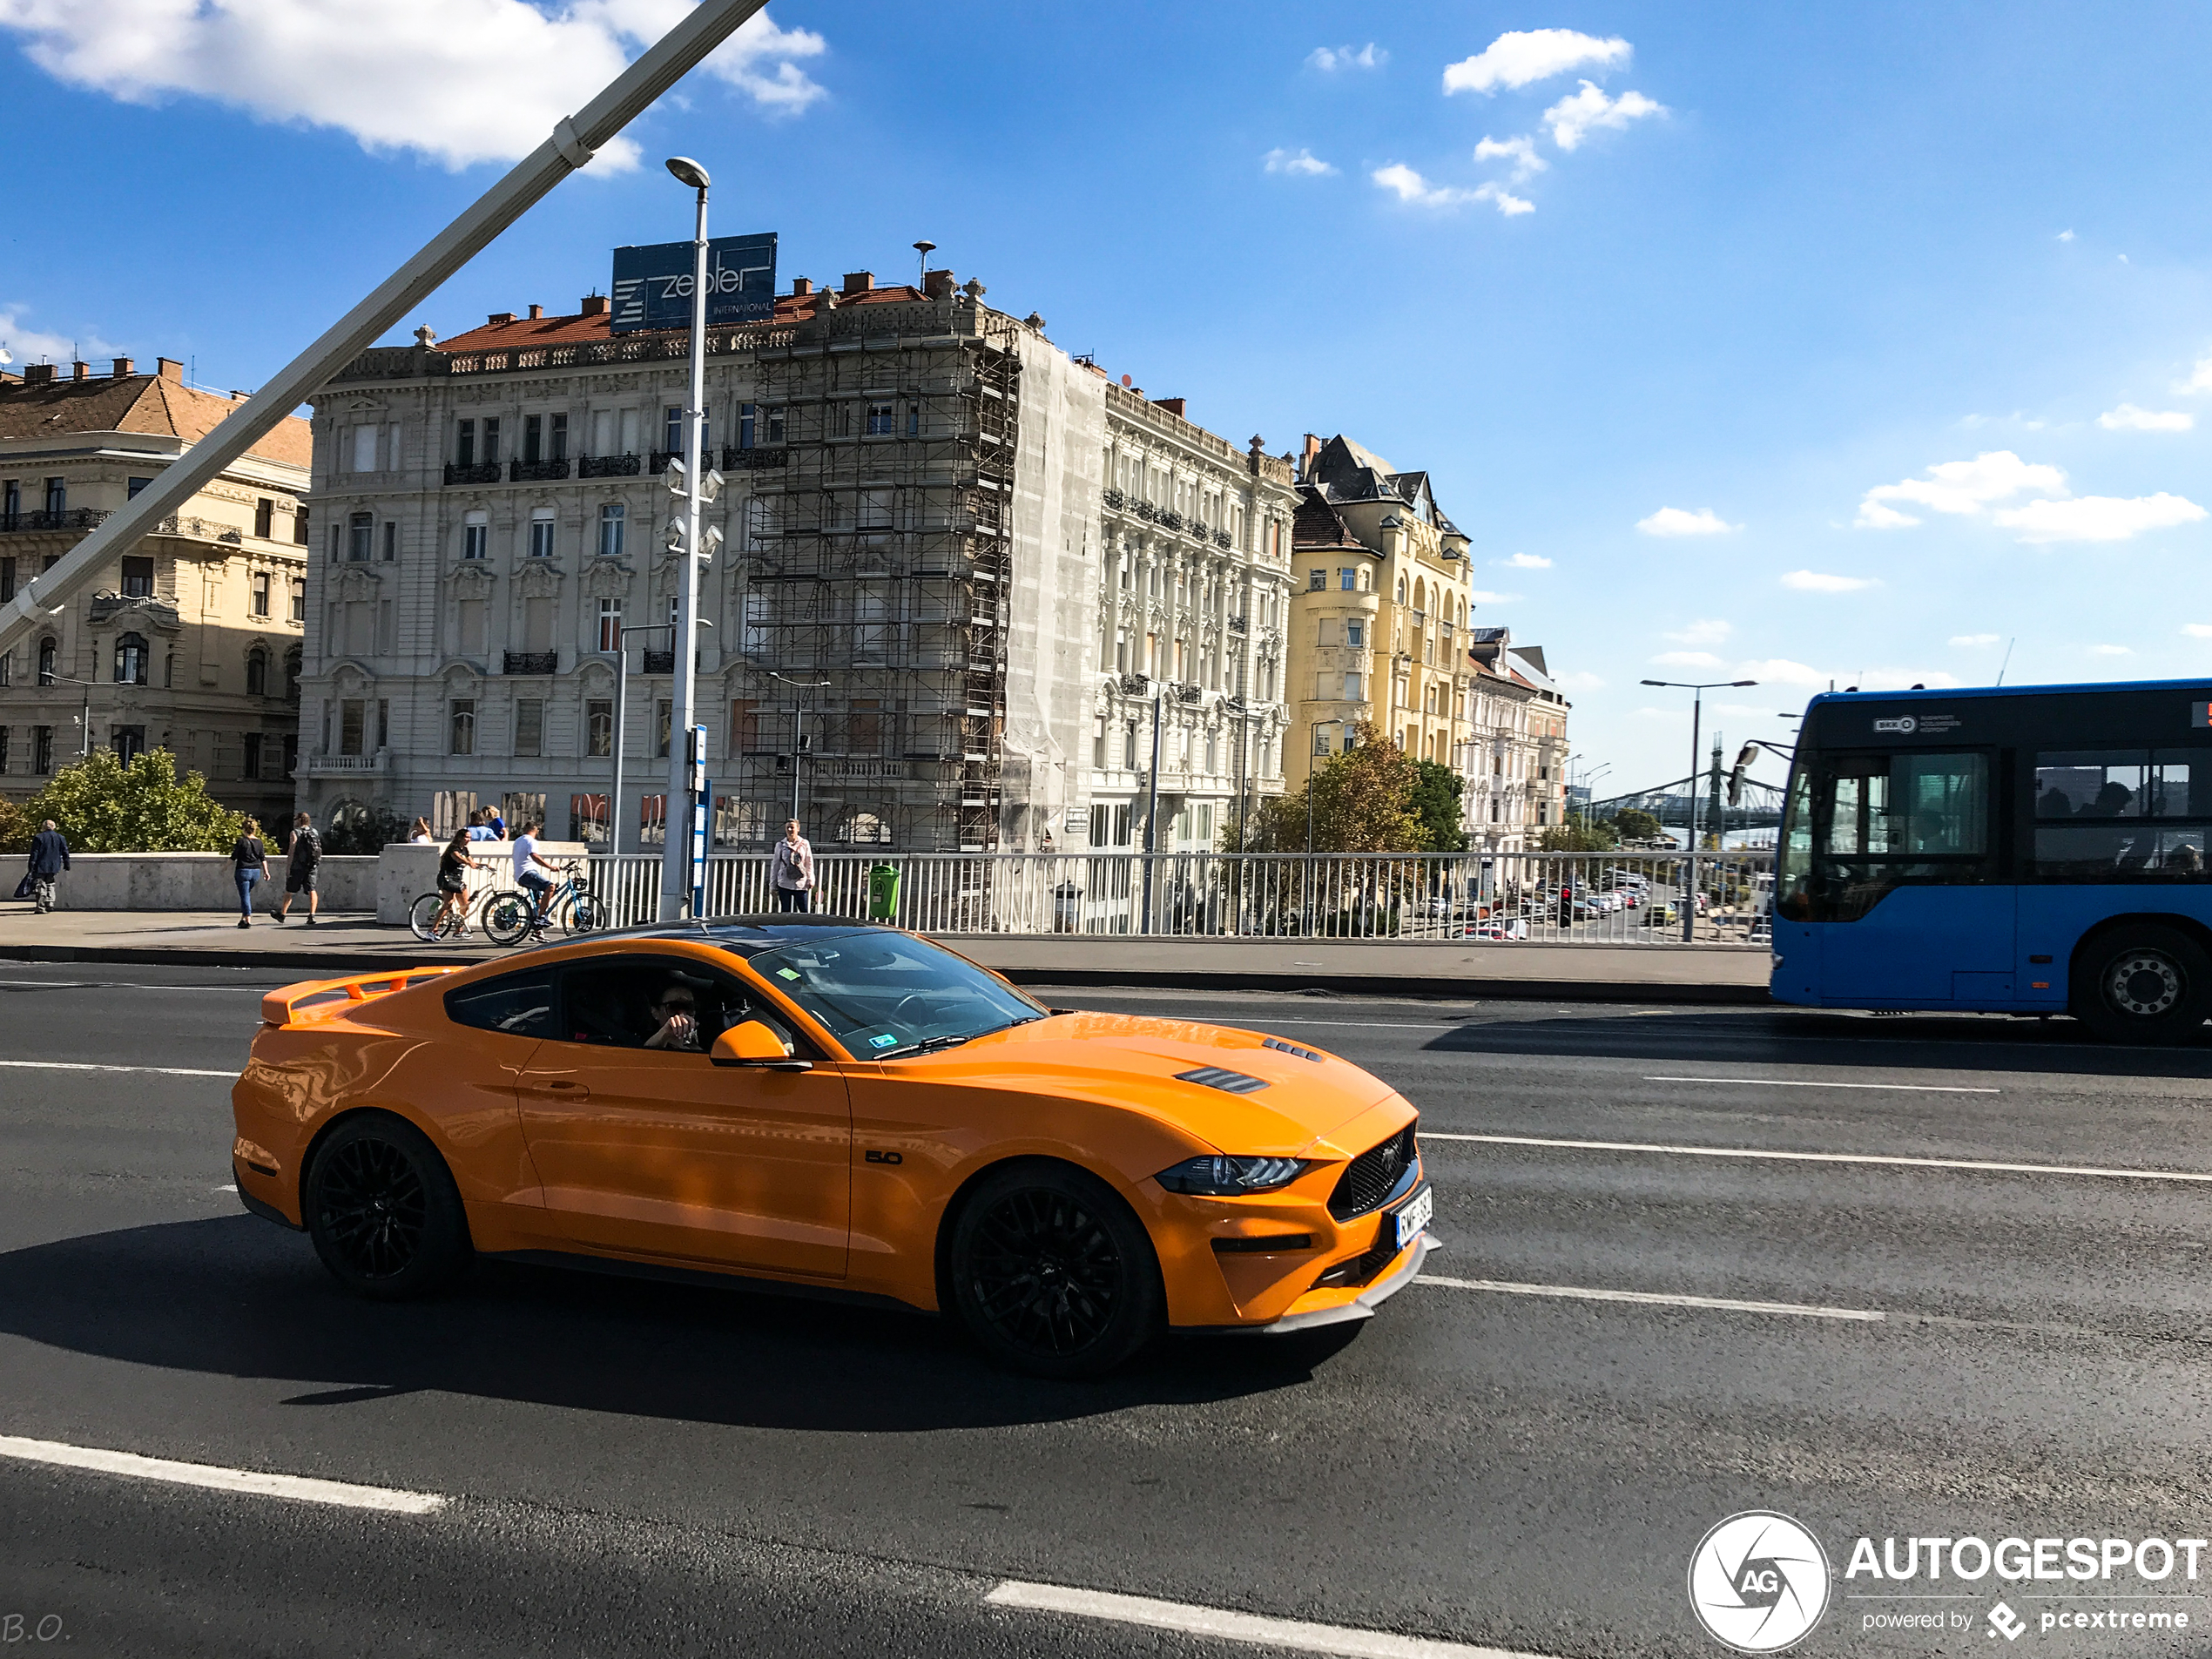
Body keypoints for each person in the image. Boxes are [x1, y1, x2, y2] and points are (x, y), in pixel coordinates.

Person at [512, 819, 560, 932]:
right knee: (550, 887)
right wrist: (550, 867)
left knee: (539, 903)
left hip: (520, 874)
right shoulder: (531, 841)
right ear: (536, 830)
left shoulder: (518, 840)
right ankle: (541, 918)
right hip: (527, 873)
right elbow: (534, 855)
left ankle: (538, 932)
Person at [276, 812, 321, 926]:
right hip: (312, 865)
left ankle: (282, 914)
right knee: (312, 889)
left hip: (298, 866)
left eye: (295, 819)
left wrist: (288, 867)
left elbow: (292, 851)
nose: (294, 821)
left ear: (300, 820)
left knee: (290, 891)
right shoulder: (314, 832)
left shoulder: (295, 832)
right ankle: (312, 915)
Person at [432, 829, 481, 936]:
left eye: (470, 838)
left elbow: (472, 863)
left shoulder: (465, 850)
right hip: (447, 878)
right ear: (460, 837)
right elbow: (458, 858)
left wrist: (485, 866)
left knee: (465, 905)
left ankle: (459, 930)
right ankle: (433, 930)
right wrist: (467, 862)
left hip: (458, 879)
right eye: (466, 837)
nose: (468, 840)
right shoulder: (453, 848)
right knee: (448, 902)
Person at [229, 817, 270, 927]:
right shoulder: (259, 842)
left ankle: (248, 919)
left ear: (244, 829)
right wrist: (266, 872)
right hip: (256, 872)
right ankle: (243, 919)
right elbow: (263, 858)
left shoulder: (241, 841)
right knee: (246, 894)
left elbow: (234, 857)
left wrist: (224, 868)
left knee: (245, 895)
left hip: (243, 870)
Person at [643, 979, 702, 1050]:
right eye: (673, 1007)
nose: (682, 1014)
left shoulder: (699, 1048)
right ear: (655, 1013)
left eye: (689, 1007)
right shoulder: (632, 1044)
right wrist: (666, 1032)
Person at [25, 819, 70, 914]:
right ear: (54, 827)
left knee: (41, 885)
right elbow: (65, 852)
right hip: (54, 865)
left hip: (41, 865)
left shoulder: (39, 837)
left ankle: (40, 906)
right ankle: (50, 902)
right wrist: (67, 864)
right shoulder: (60, 837)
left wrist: (31, 865)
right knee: (50, 883)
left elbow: (34, 853)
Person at [771, 819, 814, 913]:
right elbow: (775, 865)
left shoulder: (805, 844)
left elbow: (809, 862)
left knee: (804, 911)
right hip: (784, 883)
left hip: (801, 884)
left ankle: (804, 927)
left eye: (792, 827)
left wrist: (810, 879)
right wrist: (773, 885)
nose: (790, 830)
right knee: (786, 911)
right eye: (788, 828)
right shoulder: (780, 845)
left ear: (798, 829)